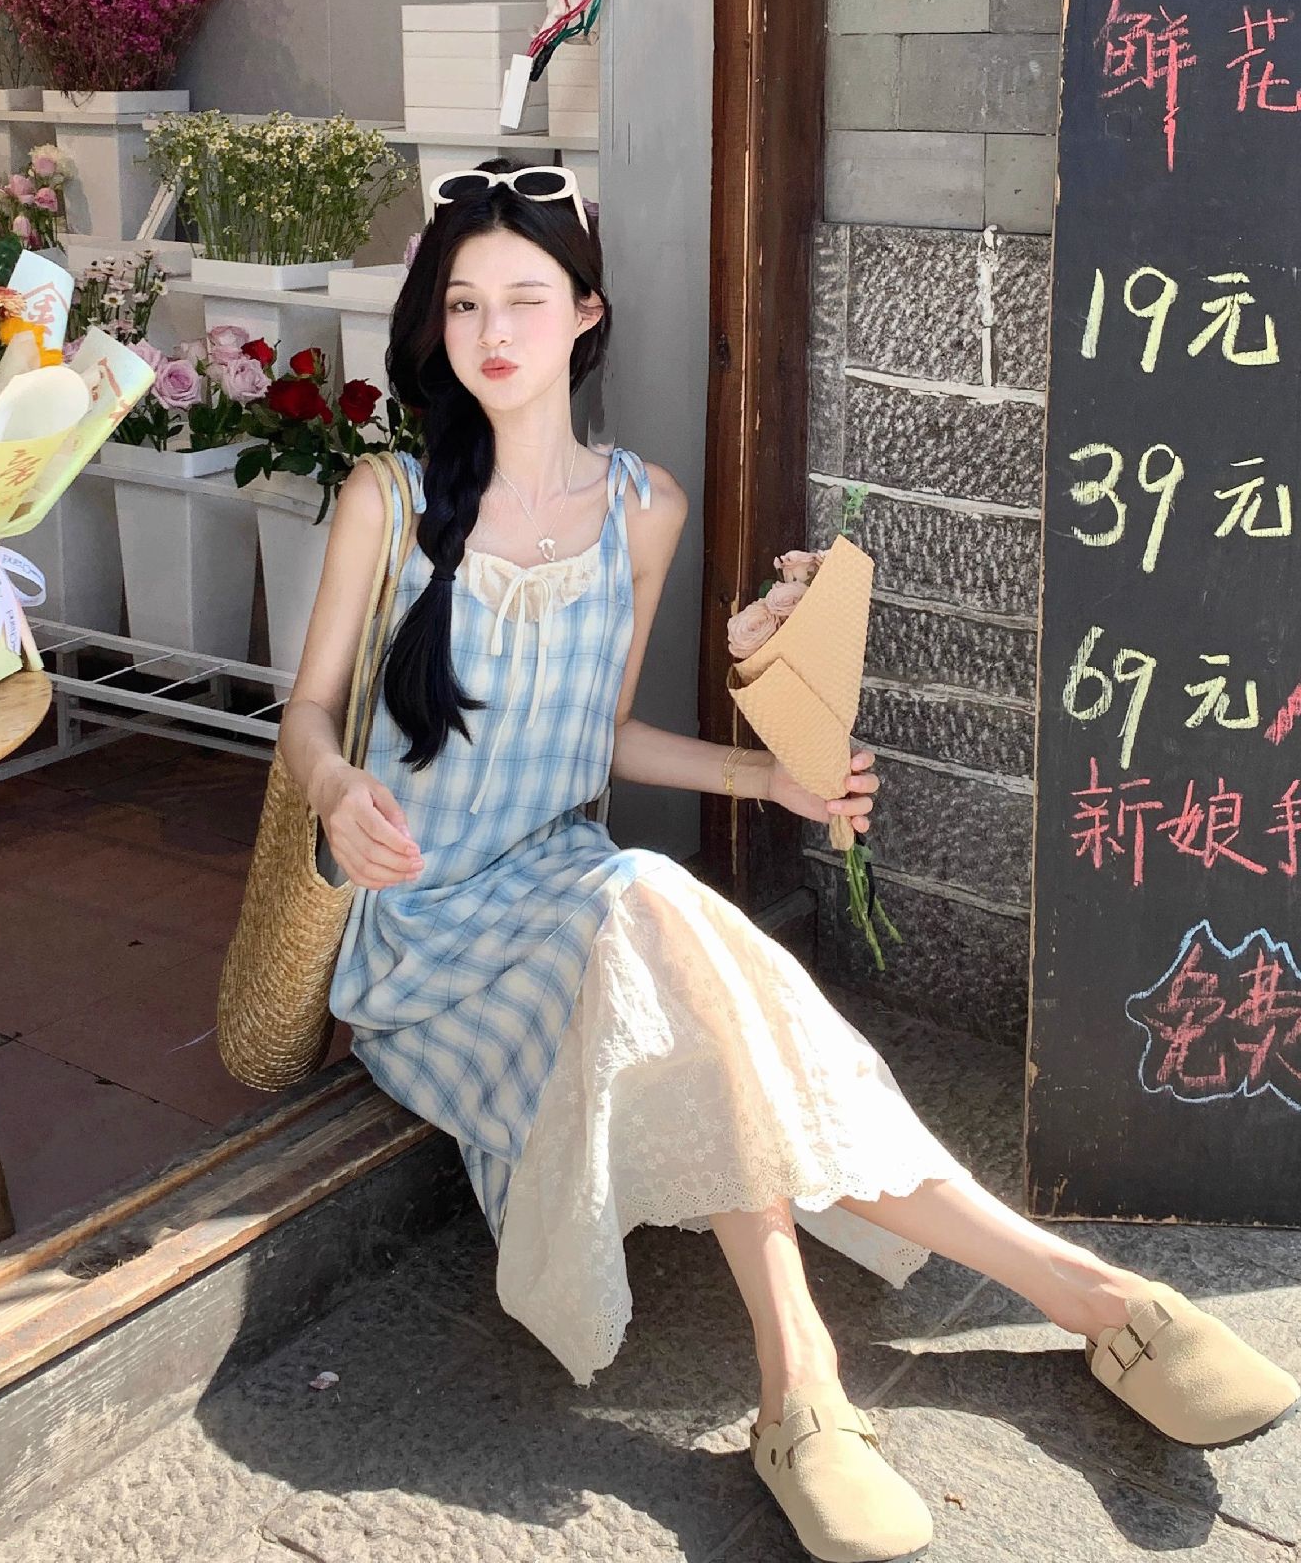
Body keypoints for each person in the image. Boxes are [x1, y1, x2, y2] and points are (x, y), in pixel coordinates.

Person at [278, 159, 1297, 1563]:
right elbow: (309, 711)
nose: (492, 331)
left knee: (670, 950)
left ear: (586, 313)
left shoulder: (642, 507)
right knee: (663, 919)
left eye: (525, 297)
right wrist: (336, 787)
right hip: (428, 934)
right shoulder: (387, 498)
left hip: (574, 889)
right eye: (463, 303)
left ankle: (825, 1377)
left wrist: (775, 780)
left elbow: (603, 734)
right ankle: (1074, 1309)